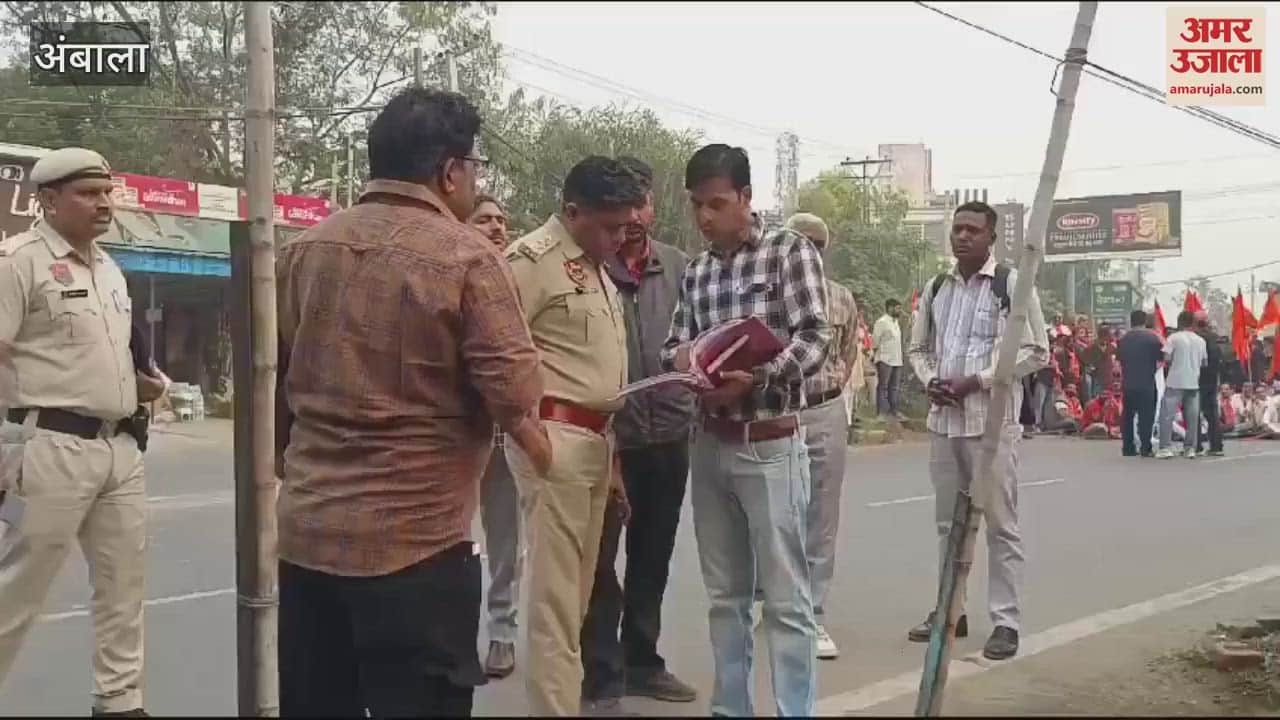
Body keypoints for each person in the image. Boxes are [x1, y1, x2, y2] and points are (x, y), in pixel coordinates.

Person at [274, 88, 549, 718]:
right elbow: (515, 389)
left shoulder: (305, 250)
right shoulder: (467, 256)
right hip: (417, 548)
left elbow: (276, 379)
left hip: (309, 539)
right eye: (474, 166)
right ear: (450, 171)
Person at [660, 144, 830, 717]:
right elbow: (672, 346)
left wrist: (757, 378)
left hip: (771, 443)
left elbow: (814, 337)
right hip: (710, 446)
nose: (705, 217)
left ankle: (794, 711)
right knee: (725, 599)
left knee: (785, 602)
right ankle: (730, 709)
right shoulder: (698, 271)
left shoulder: (790, 252)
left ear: (746, 199)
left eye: (716, 203)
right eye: (696, 205)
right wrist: (686, 366)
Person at [0, 147, 165, 717]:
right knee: (15, 590)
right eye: (87, 194)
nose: (103, 204)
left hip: (119, 449)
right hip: (48, 449)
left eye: (106, 192)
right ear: (47, 201)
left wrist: (140, 387)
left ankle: (120, 702)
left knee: (123, 589)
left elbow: (106, 354)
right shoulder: (17, 262)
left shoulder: (109, 269)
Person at [504, 155, 642, 717]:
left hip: (595, 442)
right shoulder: (530, 261)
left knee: (578, 600)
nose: (617, 238)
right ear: (571, 211)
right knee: (555, 604)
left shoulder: (596, 265)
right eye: (609, 226)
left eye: (624, 227)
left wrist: (611, 462)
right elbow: (493, 354)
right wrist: (528, 436)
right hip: (553, 438)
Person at [579, 156, 697, 714]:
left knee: (653, 555)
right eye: (628, 205)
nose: (636, 216)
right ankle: (601, 672)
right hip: (607, 439)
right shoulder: (588, 264)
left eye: (644, 202)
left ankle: (642, 660)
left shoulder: (679, 267)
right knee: (599, 561)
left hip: (670, 434)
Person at [906, 199, 1048, 662]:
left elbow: (1036, 351)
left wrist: (977, 381)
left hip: (991, 426)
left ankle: (1006, 621)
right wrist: (932, 381)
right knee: (949, 525)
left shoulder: (1011, 285)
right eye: (957, 229)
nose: (962, 236)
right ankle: (950, 610)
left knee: (1000, 526)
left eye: (972, 230)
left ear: (991, 238)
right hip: (944, 423)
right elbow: (918, 348)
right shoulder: (936, 288)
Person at [784, 211, 860, 661]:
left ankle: (812, 614)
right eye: (798, 240)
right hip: (779, 411)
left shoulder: (841, 299)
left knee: (820, 516)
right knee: (775, 511)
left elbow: (848, 354)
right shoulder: (771, 294)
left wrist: (831, 394)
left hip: (824, 409)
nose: (806, 249)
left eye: (814, 242)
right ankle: (775, 600)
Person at [465, 194, 523, 679]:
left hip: (509, 435)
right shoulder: (446, 273)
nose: (497, 227)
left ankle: (502, 635)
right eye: (484, 219)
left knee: (505, 541)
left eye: (502, 220)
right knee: (452, 543)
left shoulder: (519, 283)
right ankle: (459, 637)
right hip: (456, 436)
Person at [1157, 310, 1208, 459]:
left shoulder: (1173, 338)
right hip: (1193, 382)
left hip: (1175, 381)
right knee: (1192, 417)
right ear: (1193, 323)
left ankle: (1165, 447)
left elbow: (1166, 358)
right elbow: (1204, 362)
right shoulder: (1201, 341)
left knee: (1167, 415)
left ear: (1179, 322)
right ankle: (1189, 449)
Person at [1116, 309, 1163, 457]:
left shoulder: (1123, 340)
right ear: (1144, 321)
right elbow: (1160, 358)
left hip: (1128, 382)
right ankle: (1145, 447)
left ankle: (1128, 447)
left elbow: (1119, 360)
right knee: (1146, 416)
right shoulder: (1152, 339)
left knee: (1128, 416)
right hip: (1146, 382)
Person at [1194, 313, 1225, 457]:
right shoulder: (1215, 338)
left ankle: (1196, 445)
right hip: (1212, 380)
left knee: (1194, 414)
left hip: (1198, 379)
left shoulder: (1197, 338)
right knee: (1212, 414)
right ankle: (1216, 446)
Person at [872, 298, 905, 420]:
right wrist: (876, 356)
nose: (899, 310)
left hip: (897, 359)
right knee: (883, 386)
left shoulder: (896, 322)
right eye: (897, 308)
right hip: (885, 359)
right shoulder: (881, 322)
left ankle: (894, 411)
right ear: (890, 308)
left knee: (895, 387)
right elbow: (875, 342)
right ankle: (881, 413)